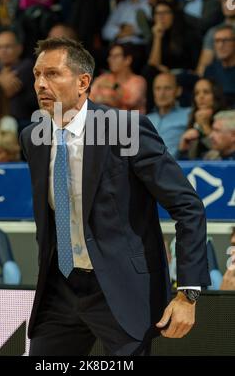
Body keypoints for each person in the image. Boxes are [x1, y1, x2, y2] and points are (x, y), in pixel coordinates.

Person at [20, 37, 210, 357]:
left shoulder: (124, 128)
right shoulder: (32, 138)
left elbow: (187, 206)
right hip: (60, 289)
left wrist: (187, 294)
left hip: (119, 289)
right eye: (37, 74)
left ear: (83, 82)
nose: (40, 83)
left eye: (52, 74)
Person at [90, 43, 147, 113]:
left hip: (131, 122)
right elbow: (89, 100)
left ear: (128, 60)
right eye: (110, 56)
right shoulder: (102, 79)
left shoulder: (139, 81)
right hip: (103, 120)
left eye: (115, 56)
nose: (109, 59)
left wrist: (113, 86)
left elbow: (131, 101)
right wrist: (108, 100)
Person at [178, 78, 226, 160]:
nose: (201, 96)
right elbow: (189, 158)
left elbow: (224, 153)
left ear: (215, 95)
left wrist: (205, 127)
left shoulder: (226, 117)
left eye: (206, 92)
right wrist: (183, 149)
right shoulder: (192, 117)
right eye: (197, 93)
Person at [147, 73, 190, 158]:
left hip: (175, 167)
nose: (162, 93)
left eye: (167, 88)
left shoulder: (188, 114)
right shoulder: (146, 119)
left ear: (178, 91)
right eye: (157, 89)